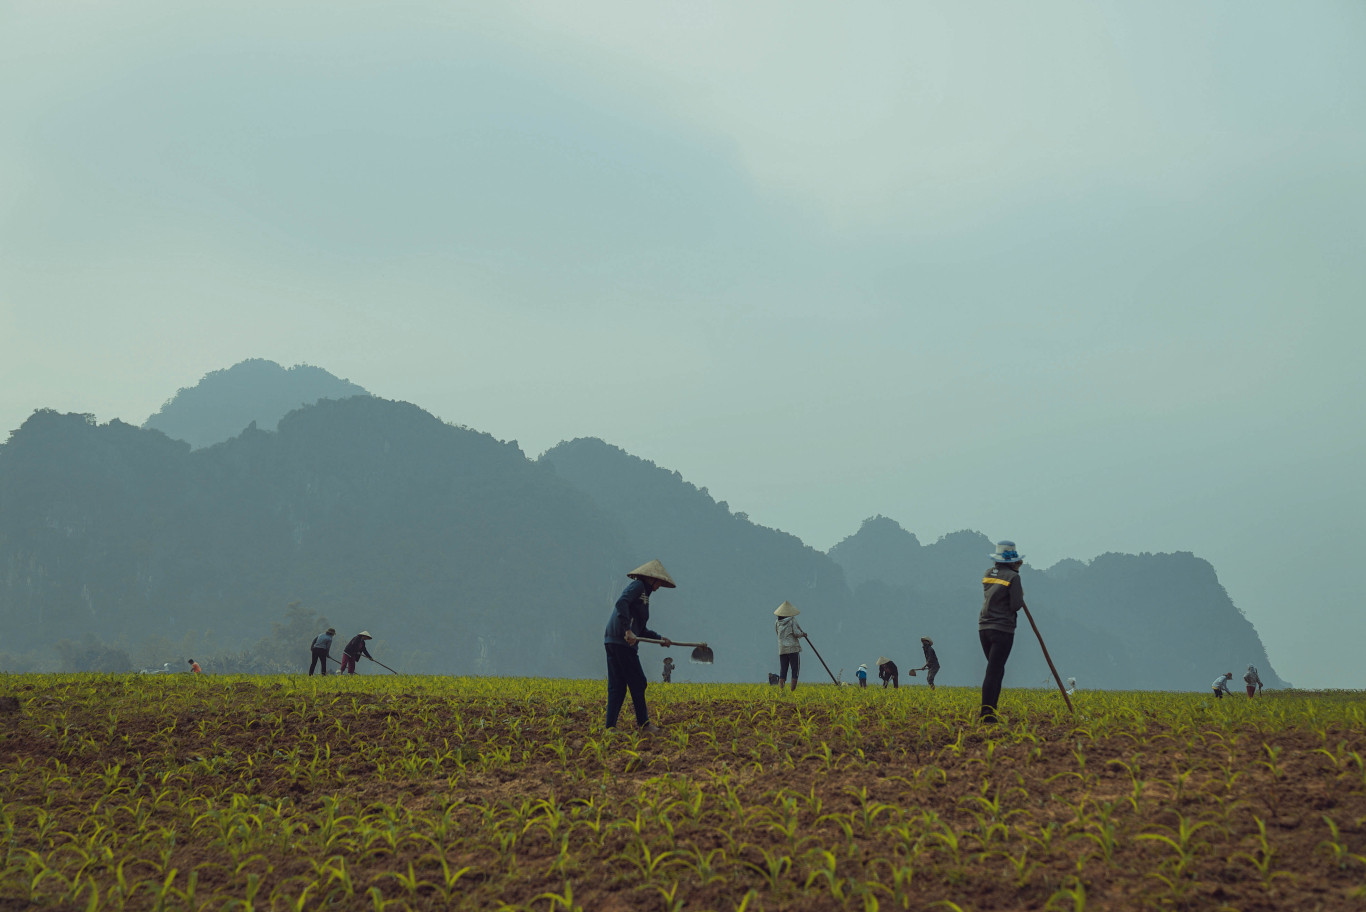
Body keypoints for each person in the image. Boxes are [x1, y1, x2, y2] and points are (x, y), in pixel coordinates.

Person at [603, 560, 675, 732]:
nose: (659, 587)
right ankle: (644, 724)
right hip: (622, 641)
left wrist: (660, 639)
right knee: (638, 682)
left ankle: (610, 727)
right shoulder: (638, 586)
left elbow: (640, 630)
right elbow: (621, 603)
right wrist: (627, 630)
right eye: (659, 582)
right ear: (652, 579)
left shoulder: (644, 596)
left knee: (618, 685)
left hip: (613, 640)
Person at [979, 540, 1027, 723]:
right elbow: (1016, 605)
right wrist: (1018, 587)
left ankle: (991, 711)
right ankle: (987, 715)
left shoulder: (987, 574)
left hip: (984, 627)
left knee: (996, 670)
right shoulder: (1013, 577)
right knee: (994, 671)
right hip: (1002, 629)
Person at [774, 601, 807, 692]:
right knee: (795, 669)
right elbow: (796, 633)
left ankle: (781, 690)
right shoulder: (792, 621)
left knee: (783, 669)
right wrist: (803, 634)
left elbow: (778, 633)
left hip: (782, 649)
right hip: (792, 648)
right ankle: (792, 691)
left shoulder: (777, 622)